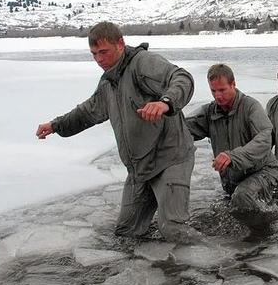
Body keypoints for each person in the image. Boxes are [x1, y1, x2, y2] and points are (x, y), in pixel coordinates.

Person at [35, 21, 200, 243]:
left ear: (120, 44)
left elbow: (182, 78)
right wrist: (56, 125)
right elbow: (87, 112)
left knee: (173, 230)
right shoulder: (108, 83)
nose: (99, 60)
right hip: (140, 169)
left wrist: (165, 103)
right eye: (94, 54)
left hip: (170, 158)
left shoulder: (142, 64)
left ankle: (222, 264)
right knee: (126, 233)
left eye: (104, 52)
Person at [186, 64, 278, 223]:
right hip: (233, 180)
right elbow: (182, 129)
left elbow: (264, 139)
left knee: (242, 196)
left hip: (264, 171)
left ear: (233, 84)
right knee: (229, 208)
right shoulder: (210, 112)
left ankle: (264, 234)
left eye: (222, 90)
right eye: (213, 91)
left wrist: (232, 156)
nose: (218, 96)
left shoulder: (251, 107)